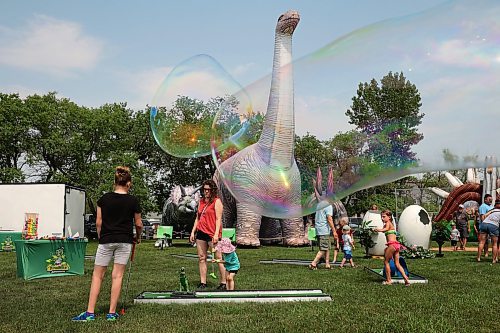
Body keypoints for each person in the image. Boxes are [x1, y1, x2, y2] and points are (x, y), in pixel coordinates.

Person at [72, 166, 143, 322]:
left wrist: (101, 237)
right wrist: (138, 237)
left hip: (106, 240)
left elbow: (99, 223)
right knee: (117, 276)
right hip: (124, 241)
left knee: (98, 276)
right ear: (129, 183)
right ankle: (111, 313)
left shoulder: (103, 200)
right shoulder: (133, 201)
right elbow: (138, 224)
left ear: (114, 181)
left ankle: (90, 313)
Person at [189, 179, 226, 290]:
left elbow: (218, 219)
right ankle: (203, 282)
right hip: (201, 232)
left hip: (212, 233)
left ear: (213, 190)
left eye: (208, 190)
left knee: (218, 258)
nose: (206, 192)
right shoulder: (201, 202)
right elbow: (198, 217)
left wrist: (216, 234)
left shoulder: (217, 201)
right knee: (201, 258)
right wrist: (193, 231)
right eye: (204, 189)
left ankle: (224, 282)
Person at [373, 209, 410, 286]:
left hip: (392, 245)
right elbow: (385, 230)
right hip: (396, 245)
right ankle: (406, 279)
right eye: (381, 217)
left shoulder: (388, 223)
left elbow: (385, 229)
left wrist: (378, 230)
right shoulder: (389, 224)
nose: (382, 218)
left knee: (386, 262)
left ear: (389, 217)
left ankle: (389, 280)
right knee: (397, 263)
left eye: (384, 217)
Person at [309, 203, 335, 270]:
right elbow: (329, 219)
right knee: (323, 248)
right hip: (324, 230)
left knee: (327, 247)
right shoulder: (328, 205)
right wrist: (334, 231)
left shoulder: (319, 204)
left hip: (319, 229)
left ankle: (327, 264)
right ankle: (313, 264)